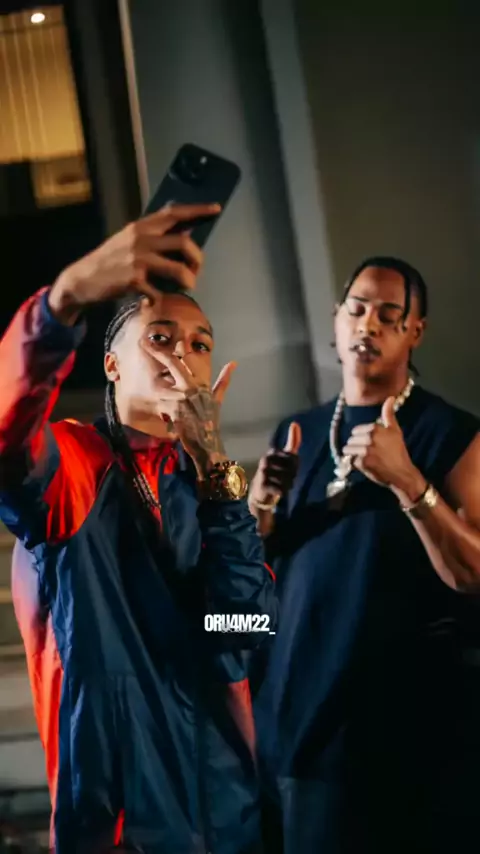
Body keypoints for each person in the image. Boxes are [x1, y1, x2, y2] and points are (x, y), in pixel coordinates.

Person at [0, 203, 276, 854]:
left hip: (228, 820)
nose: (183, 354)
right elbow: (8, 434)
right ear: (112, 365)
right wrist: (62, 302)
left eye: (200, 344)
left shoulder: (209, 486)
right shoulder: (75, 465)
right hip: (123, 829)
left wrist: (217, 474)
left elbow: (246, 628)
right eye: (160, 337)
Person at [248, 257, 480, 854]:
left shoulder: (451, 434)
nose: (367, 324)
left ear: (414, 332)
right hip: (292, 730)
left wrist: (409, 482)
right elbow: (258, 595)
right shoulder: (296, 433)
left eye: (388, 314)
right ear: (336, 318)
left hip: (398, 740)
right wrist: (261, 512)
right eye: (356, 309)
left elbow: (475, 574)